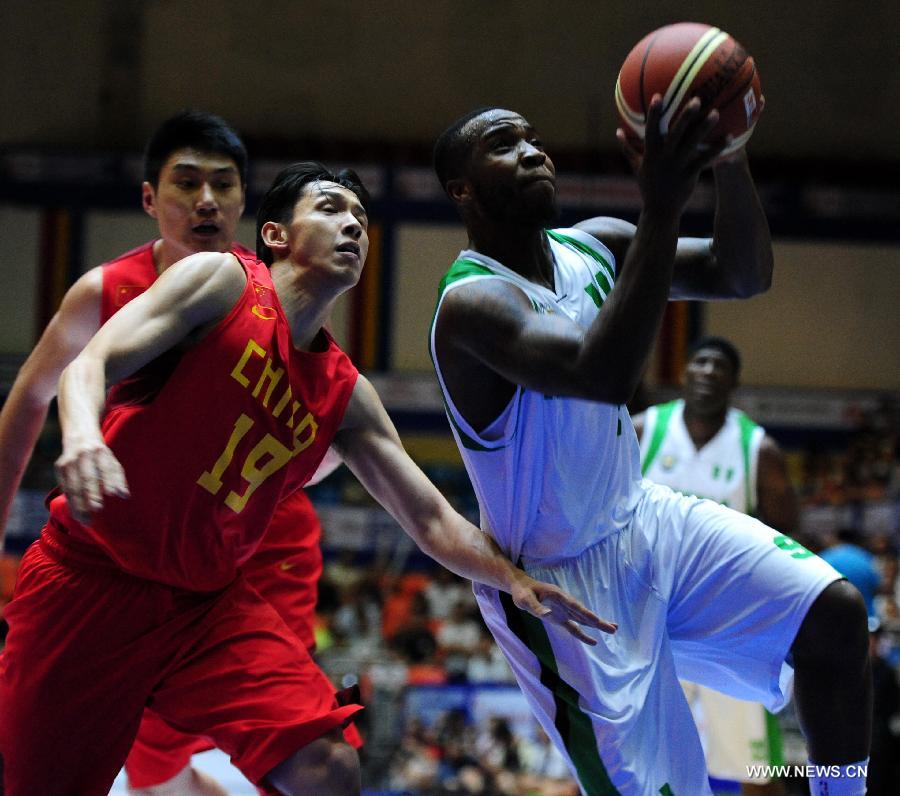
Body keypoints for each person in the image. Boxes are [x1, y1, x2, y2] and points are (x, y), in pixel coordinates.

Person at [0, 161, 608, 796]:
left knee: (328, 765)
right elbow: (89, 362)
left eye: (362, 219)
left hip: (204, 608)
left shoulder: (348, 397)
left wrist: (512, 578)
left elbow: (430, 520)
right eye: (330, 208)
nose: (352, 224)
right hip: (90, 577)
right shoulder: (222, 281)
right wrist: (81, 437)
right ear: (275, 235)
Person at [428, 100, 871, 795]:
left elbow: (741, 273)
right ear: (462, 189)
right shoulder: (473, 305)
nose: (533, 151)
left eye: (535, 137)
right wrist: (661, 207)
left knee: (835, 616)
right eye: (504, 144)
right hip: (562, 588)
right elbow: (599, 375)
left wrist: (729, 157)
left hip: (646, 522)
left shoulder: (594, 244)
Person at [0, 110, 348, 796]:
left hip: (255, 547)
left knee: (312, 751)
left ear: (247, 203)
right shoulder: (103, 292)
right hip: (126, 549)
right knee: (144, 751)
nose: (206, 201)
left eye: (223, 184)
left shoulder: (277, 295)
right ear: (149, 199)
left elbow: (334, 425)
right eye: (186, 184)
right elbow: (28, 403)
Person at [633, 336, 797, 794]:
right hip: (652, 619)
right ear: (684, 374)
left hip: (730, 622)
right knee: (642, 761)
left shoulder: (758, 448)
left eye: (718, 365)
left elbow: (789, 541)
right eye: (698, 362)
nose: (707, 371)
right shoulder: (645, 429)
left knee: (758, 771)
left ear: (734, 382)